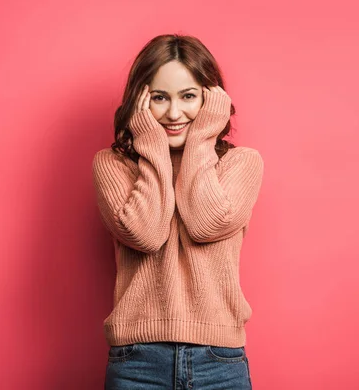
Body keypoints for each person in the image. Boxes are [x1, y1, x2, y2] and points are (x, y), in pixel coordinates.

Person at [91, 33, 264, 389]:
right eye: (159, 97)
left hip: (219, 362)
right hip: (137, 363)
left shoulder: (240, 163)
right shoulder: (113, 166)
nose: (173, 113)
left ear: (211, 99)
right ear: (140, 102)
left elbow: (204, 223)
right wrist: (152, 146)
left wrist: (201, 139)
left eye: (188, 96)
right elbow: (147, 233)